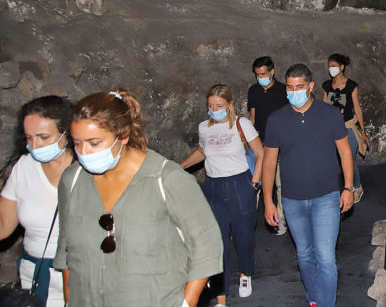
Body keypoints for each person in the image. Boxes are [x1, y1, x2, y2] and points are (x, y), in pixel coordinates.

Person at [54, 89, 222, 307]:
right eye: (77, 143)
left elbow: (206, 244)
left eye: (94, 143)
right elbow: (67, 250)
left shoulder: (168, 179)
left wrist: (186, 302)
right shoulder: (72, 180)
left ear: (123, 136)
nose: (84, 151)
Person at [262, 64, 355, 307]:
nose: (294, 92)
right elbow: (269, 162)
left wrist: (348, 187)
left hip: (326, 197)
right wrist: (269, 201)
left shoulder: (330, 114)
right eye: (290, 88)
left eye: (299, 87)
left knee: (325, 257)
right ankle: (314, 297)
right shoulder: (276, 120)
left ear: (311, 86)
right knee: (304, 254)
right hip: (292, 200)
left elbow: (345, 152)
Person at [181, 84, 264, 305]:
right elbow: (202, 151)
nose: (214, 109)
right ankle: (221, 294)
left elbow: (260, 153)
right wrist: (181, 166)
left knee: (243, 237)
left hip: (239, 185)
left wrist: (254, 184)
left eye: (219, 105)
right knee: (217, 243)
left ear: (229, 105)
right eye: (210, 105)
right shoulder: (204, 128)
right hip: (213, 188)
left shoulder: (241, 124)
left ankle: (246, 273)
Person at [0, 96, 75, 307]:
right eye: (29, 137)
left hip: (80, 283)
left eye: (43, 137)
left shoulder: (88, 170)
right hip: (34, 281)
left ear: (67, 133)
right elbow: (3, 225)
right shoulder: (24, 167)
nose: (35, 145)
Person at [247, 56, 289, 235]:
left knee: (280, 183)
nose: (260, 77)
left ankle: (280, 218)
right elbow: (253, 117)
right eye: (257, 74)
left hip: (279, 144)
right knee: (253, 183)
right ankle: (248, 220)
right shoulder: (254, 91)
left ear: (272, 72)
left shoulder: (283, 91)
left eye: (263, 74)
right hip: (259, 143)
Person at [321, 53, 367, 202]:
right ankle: (332, 190)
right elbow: (323, 108)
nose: (331, 69)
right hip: (331, 129)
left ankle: (357, 187)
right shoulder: (327, 86)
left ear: (341, 67)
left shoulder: (351, 86)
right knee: (332, 161)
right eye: (330, 66)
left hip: (347, 127)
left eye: (334, 66)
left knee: (349, 160)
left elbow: (357, 108)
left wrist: (363, 131)